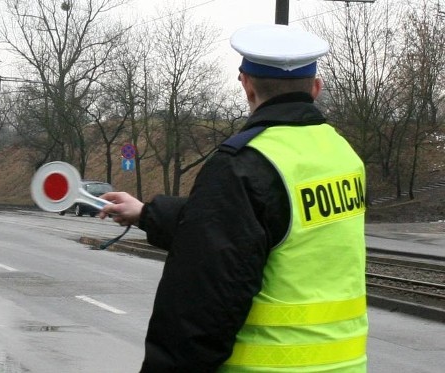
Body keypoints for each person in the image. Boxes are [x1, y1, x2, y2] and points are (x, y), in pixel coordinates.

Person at [100, 24, 368, 372]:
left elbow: (201, 310)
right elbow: (271, 225)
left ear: (246, 85)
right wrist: (147, 213)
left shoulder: (244, 165)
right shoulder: (343, 154)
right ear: (316, 88)